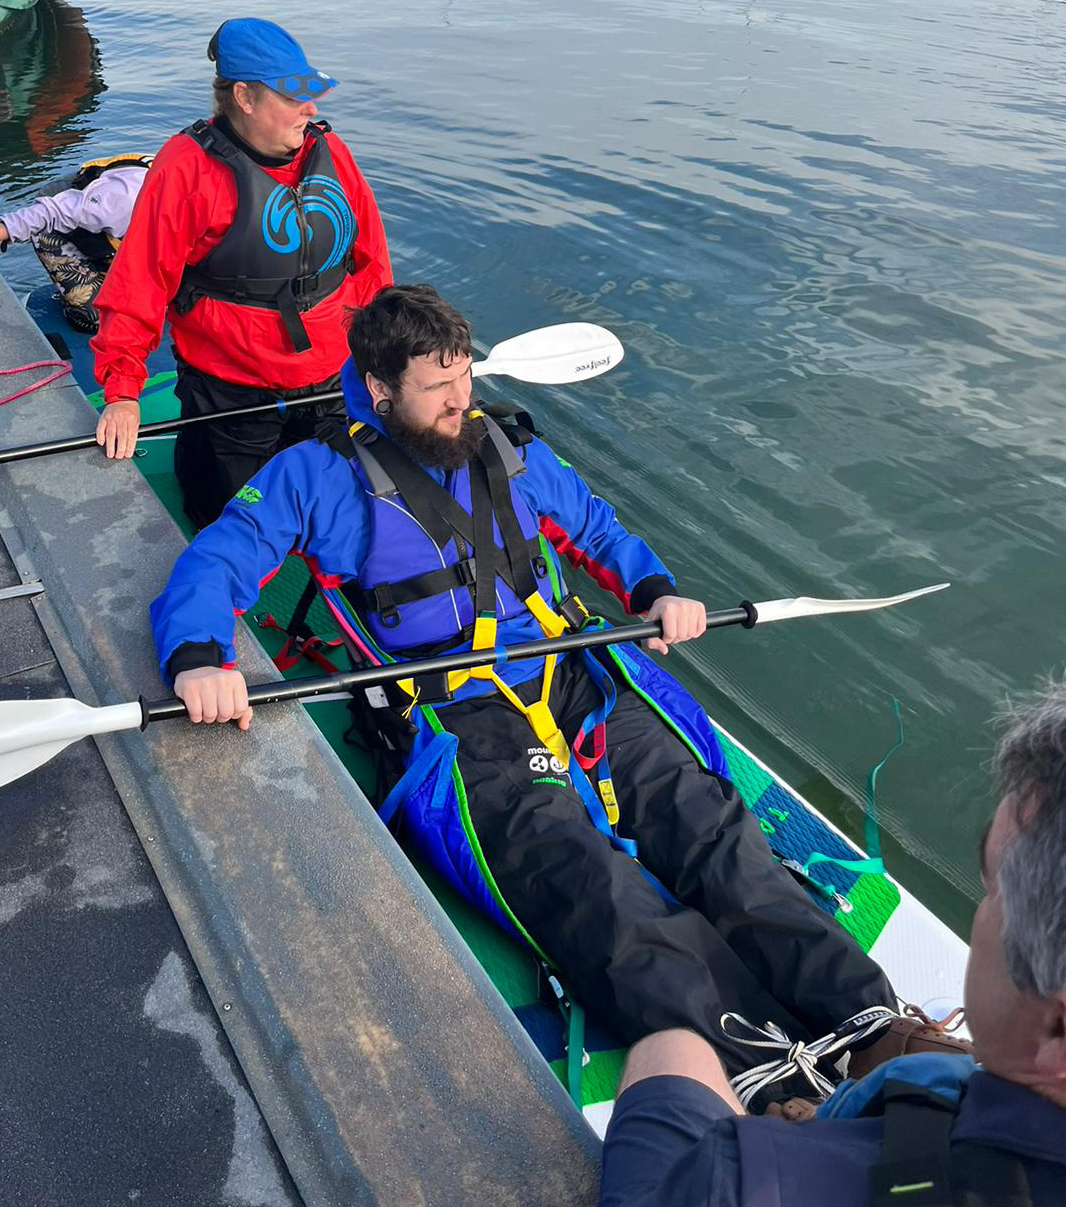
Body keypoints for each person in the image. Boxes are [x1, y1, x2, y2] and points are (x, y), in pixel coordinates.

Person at [149, 283, 952, 1099]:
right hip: (453, 713)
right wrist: (201, 657)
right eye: (438, 387)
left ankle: (869, 1026)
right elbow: (218, 559)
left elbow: (598, 528)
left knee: (711, 827)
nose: (461, 400)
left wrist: (653, 591)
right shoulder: (316, 476)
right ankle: (774, 1078)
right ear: (382, 390)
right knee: (592, 885)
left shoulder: (507, 445)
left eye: (464, 376)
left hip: (574, 674)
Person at [599, 684, 1066, 1206]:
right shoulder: (937, 1081)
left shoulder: (731, 1179)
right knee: (745, 881)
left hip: (745, 1176)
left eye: (991, 887)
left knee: (672, 1051)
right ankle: (873, 1030)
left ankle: (768, 1070)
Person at [91, 19, 392, 527]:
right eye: (293, 97)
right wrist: (122, 393)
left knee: (330, 503)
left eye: (310, 93)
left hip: (331, 380)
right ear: (245, 97)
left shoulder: (331, 153)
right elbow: (138, 284)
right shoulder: (186, 168)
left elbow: (372, 262)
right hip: (230, 389)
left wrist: (387, 354)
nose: (312, 109)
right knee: (227, 515)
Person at [0, 152, 153, 334]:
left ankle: (108, 276)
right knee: (99, 321)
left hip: (121, 234)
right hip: (61, 224)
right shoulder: (125, 199)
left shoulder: (179, 211)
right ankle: (84, 290)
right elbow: (49, 213)